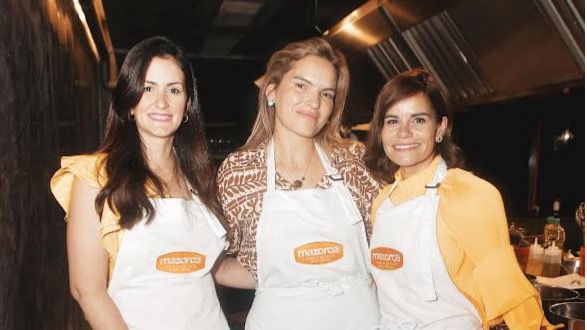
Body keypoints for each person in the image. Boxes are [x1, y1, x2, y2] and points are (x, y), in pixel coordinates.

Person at [50, 36, 229, 329]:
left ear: (187, 106)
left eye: (174, 90)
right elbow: (87, 291)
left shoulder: (199, 177)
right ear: (130, 103)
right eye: (148, 88)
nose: (162, 102)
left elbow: (209, 267)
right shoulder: (96, 176)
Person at [364, 69, 555, 330]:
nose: (404, 132)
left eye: (418, 120)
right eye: (392, 121)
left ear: (440, 127)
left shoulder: (469, 194)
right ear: (381, 130)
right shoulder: (382, 203)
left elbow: (509, 292)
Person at [217, 37, 382, 330]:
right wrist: (288, 276)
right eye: (301, 85)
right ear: (271, 91)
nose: (314, 102)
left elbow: (388, 245)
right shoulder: (239, 173)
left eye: (326, 94)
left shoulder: (355, 161)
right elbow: (216, 262)